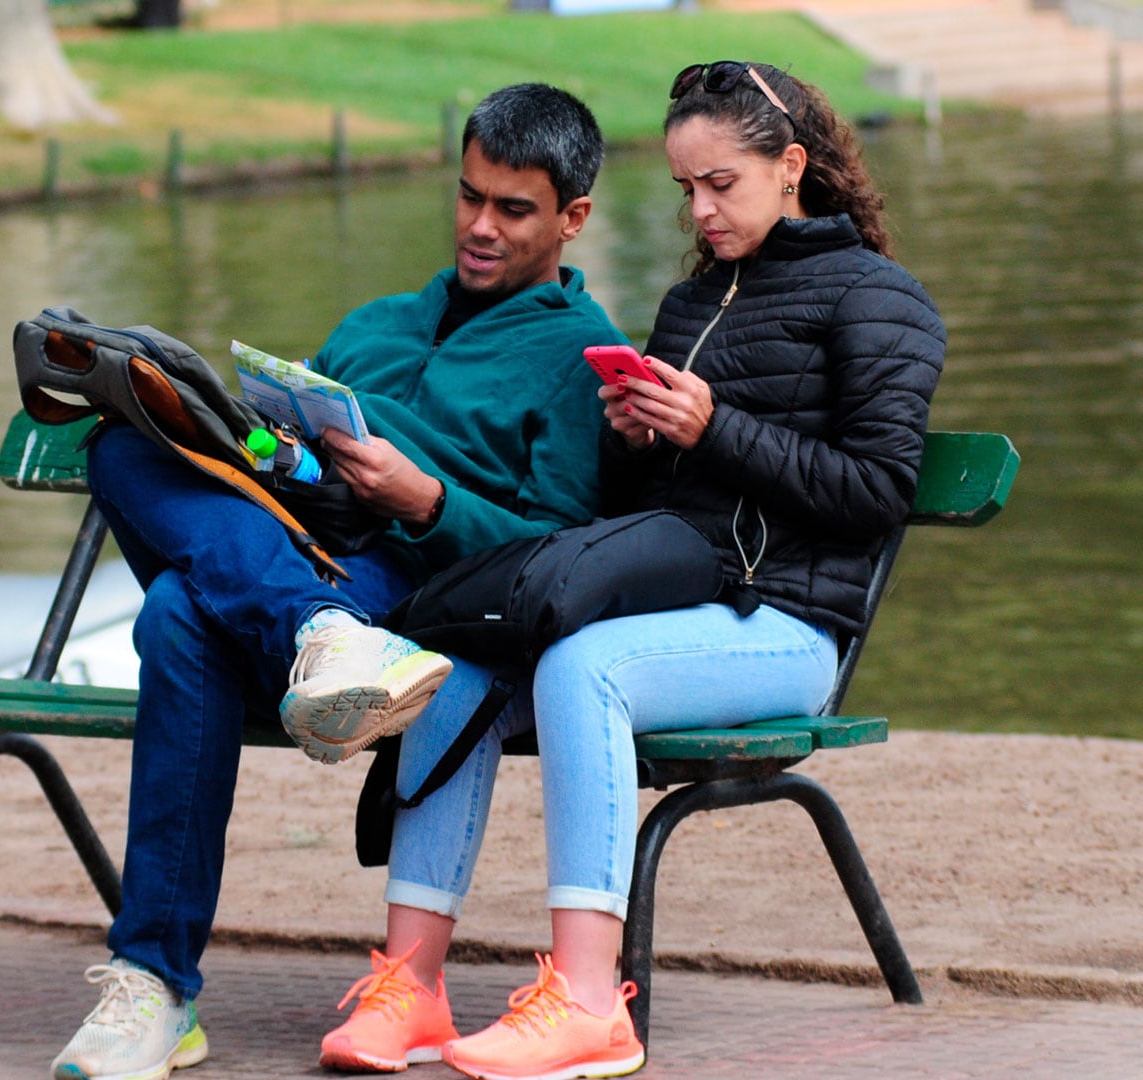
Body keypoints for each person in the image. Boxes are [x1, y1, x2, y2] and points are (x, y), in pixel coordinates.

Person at [318, 62, 946, 1080]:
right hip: (686, 600)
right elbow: (641, 507)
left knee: (583, 669)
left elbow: (876, 493)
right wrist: (636, 439)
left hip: (791, 628)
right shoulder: (695, 298)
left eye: (721, 185)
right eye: (686, 189)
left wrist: (713, 427)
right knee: (459, 666)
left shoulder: (883, 301)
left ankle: (585, 999)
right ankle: (412, 985)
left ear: (791, 167)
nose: (701, 210)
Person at [52, 84, 627, 1080]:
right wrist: (248, 442)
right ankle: (311, 628)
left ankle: (156, 988)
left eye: (512, 209)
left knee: (177, 617)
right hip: (292, 538)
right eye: (468, 196)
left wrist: (427, 498)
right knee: (117, 447)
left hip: (409, 584)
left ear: (573, 218)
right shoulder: (378, 322)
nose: (479, 227)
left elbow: (558, 548)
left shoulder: (577, 360)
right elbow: (274, 450)